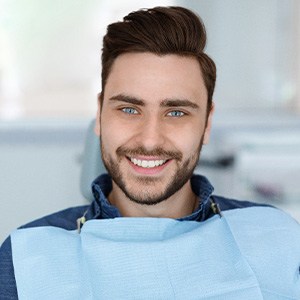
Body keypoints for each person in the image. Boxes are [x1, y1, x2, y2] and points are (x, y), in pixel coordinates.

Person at [1, 6, 300, 300]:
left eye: (177, 113)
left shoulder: (278, 235)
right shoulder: (27, 254)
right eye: (129, 109)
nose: (149, 140)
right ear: (100, 112)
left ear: (207, 123)